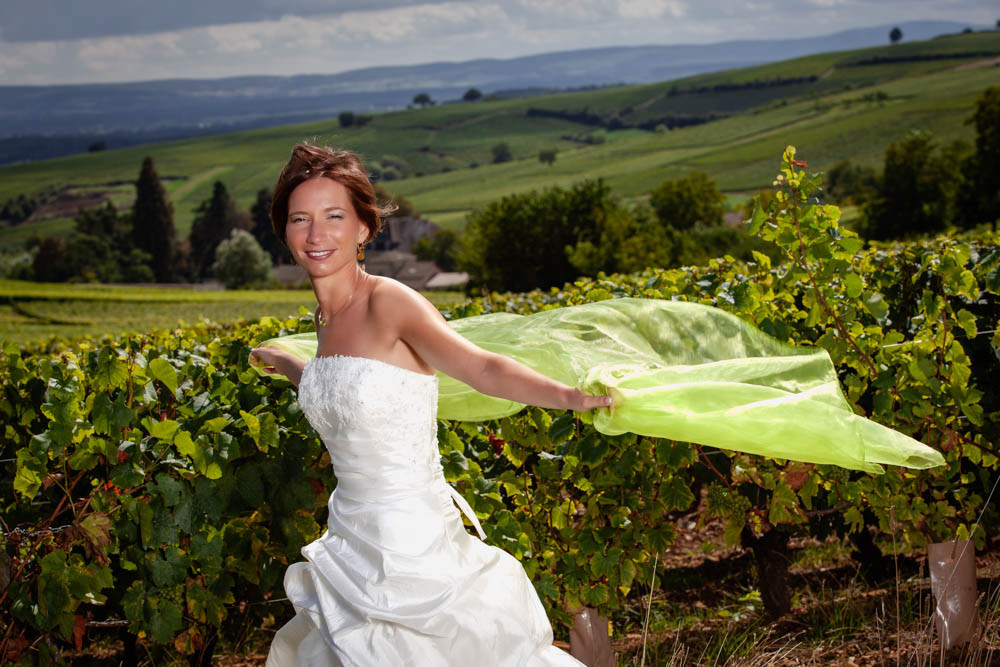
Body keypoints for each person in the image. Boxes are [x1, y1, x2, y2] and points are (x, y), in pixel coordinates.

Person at [251, 143, 609, 666]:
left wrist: (570, 397)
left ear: (364, 228)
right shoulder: (324, 320)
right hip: (350, 538)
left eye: (334, 216)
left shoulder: (389, 301)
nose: (316, 234)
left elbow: (481, 367)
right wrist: (292, 368)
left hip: (412, 547)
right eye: (300, 219)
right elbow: (349, 389)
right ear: (284, 231)